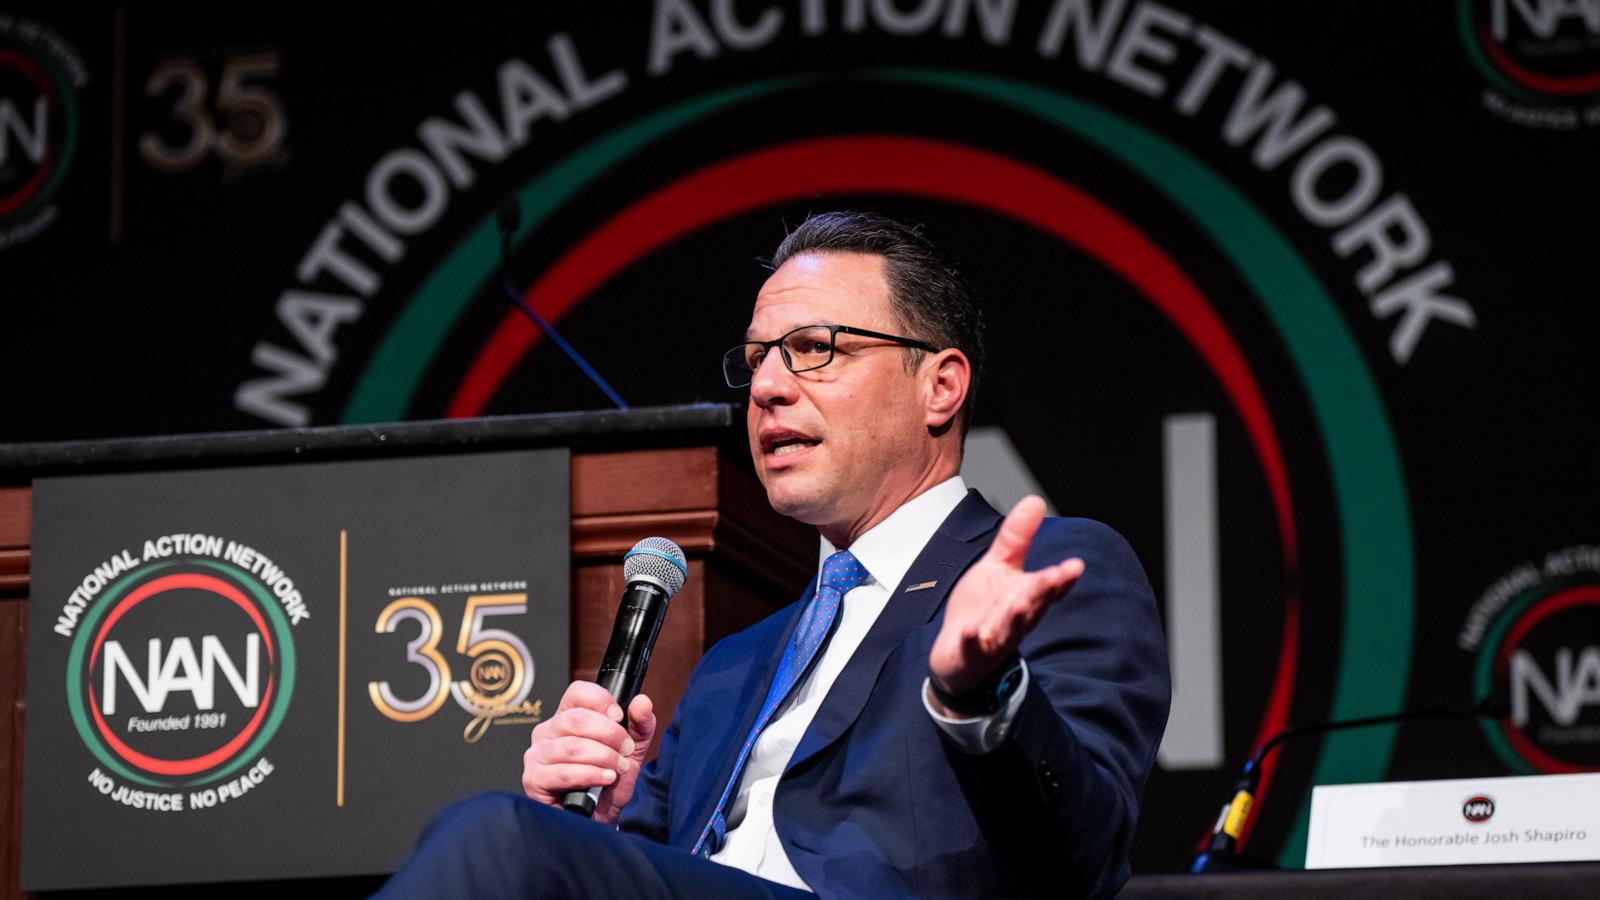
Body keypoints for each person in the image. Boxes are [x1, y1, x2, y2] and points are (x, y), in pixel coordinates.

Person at [377, 211, 1169, 899]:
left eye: (815, 348)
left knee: (497, 838)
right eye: (758, 358)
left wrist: (982, 694)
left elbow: (1086, 859)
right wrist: (595, 834)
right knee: (517, 841)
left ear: (940, 387)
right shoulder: (730, 668)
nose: (767, 388)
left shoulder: (1057, 571)